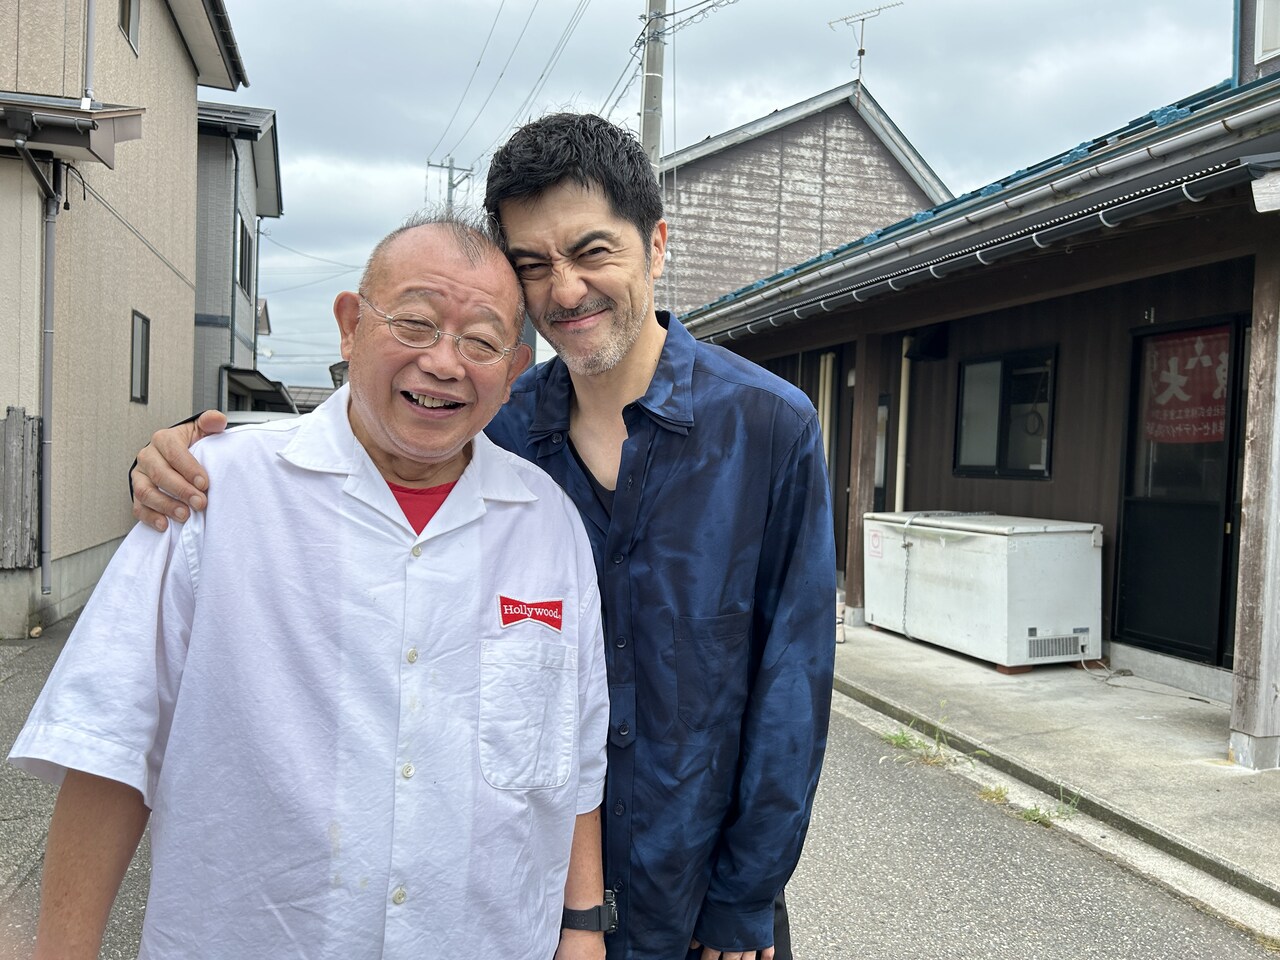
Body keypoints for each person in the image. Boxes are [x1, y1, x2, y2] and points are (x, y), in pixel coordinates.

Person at [130, 114, 837, 960]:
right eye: (534, 266)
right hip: (513, 905)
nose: (565, 290)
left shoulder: (768, 427)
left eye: (593, 251)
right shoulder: (492, 423)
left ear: (655, 244)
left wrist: (745, 896)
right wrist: (183, 462)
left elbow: (793, 679)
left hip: (700, 903)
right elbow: (347, 463)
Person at [12, 214, 611, 960]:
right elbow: (110, 747)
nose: (445, 363)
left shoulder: (547, 525)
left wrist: (581, 931)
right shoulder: (212, 494)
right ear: (350, 326)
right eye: (416, 324)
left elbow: (574, 760)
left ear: (514, 371)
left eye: (481, 341)